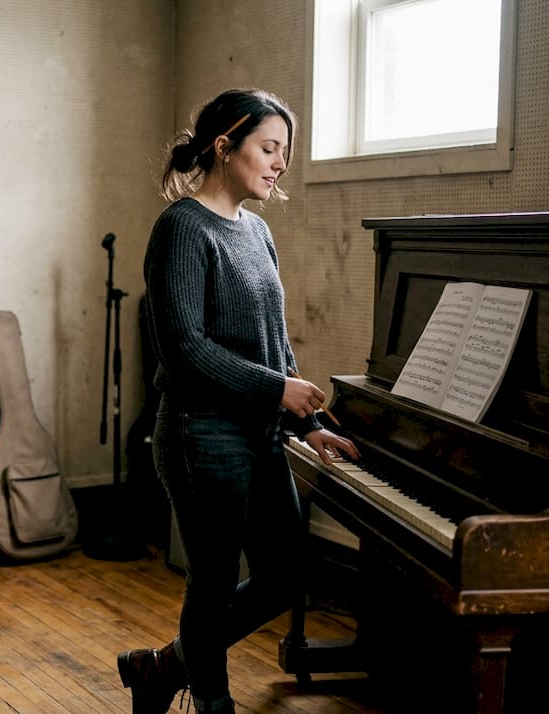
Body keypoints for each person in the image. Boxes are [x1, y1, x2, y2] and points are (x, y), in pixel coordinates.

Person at [116, 88, 361, 714]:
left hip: (260, 433)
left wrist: (308, 423)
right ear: (225, 146)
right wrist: (279, 390)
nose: (279, 164)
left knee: (286, 574)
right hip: (200, 434)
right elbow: (185, 351)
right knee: (214, 582)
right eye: (269, 148)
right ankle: (212, 702)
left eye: (285, 153)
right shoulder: (180, 228)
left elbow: (275, 342)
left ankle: (161, 668)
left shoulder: (258, 230)